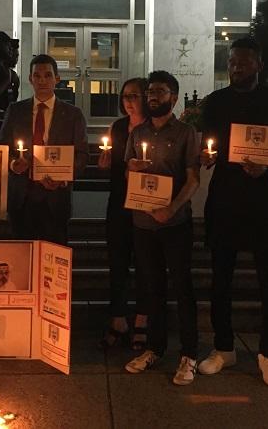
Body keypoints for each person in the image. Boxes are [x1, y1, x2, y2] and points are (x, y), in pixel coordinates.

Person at [198, 37, 268, 388]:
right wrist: (207, 156)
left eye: (243, 62)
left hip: (262, 202)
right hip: (225, 199)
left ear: (258, 65)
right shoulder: (216, 102)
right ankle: (223, 347)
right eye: (231, 62)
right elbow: (206, 143)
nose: (235, 67)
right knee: (221, 279)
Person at [123, 71, 200, 386]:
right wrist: (133, 169)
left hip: (174, 222)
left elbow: (193, 178)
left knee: (182, 288)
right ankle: (155, 347)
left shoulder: (185, 132)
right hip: (143, 222)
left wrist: (172, 207)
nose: (153, 95)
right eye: (150, 91)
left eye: (160, 91)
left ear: (174, 96)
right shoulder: (137, 132)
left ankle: (189, 354)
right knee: (151, 286)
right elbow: (129, 174)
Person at [0, 54, 88, 245]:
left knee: (54, 260)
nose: (42, 80)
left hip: (56, 199)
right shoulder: (15, 111)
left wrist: (63, 178)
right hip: (22, 197)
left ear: (57, 78)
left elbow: (81, 155)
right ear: (30, 79)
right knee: (22, 256)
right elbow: (3, 148)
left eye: (48, 75)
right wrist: (13, 164)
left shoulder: (73, 115)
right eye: (37, 76)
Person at [96, 77, 149, 351]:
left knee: (143, 263)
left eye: (135, 96)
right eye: (126, 96)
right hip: (119, 203)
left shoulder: (154, 128)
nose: (129, 101)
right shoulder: (118, 127)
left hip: (146, 204)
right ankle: (118, 318)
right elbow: (113, 165)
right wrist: (105, 163)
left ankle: (141, 318)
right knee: (117, 260)